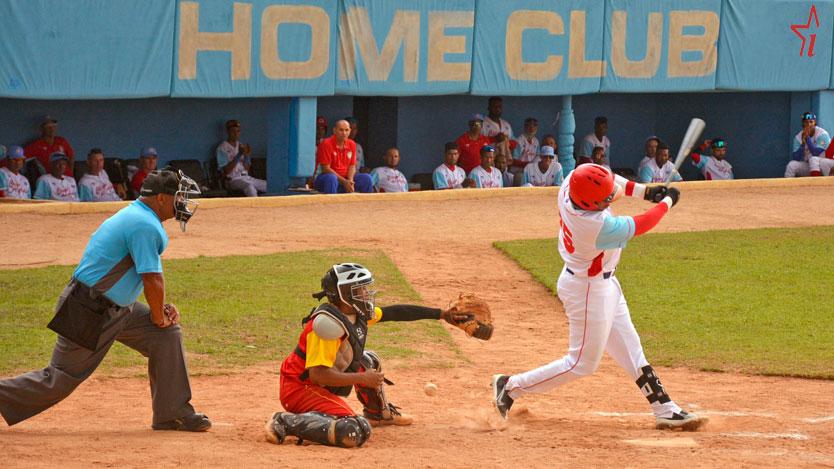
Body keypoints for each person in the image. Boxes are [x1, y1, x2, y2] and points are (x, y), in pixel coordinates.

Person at [492, 164, 706, 431]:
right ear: (590, 204)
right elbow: (643, 224)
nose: (611, 198)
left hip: (604, 284)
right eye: (605, 200)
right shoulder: (595, 227)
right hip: (587, 290)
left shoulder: (572, 182)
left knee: (631, 347)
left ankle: (665, 409)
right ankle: (509, 387)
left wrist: (644, 191)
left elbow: (609, 180)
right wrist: (666, 202)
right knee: (581, 364)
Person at [0, 169, 212, 431]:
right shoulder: (144, 225)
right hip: (90, 309)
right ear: (160, 198)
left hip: (115, 307)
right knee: (59, 379)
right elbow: (152, 279)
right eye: (178, 197)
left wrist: (161, 312)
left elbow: (141, 280)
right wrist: (158, 315)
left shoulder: (138, 216)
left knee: (165, 335)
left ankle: (172, 412)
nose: (182, 203)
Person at [264, 263, 488, 448]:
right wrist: (362, 379)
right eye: (359, 289)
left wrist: (442, 315)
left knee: (369, 360)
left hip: (316, 383)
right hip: (300, 388)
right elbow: (318, 375)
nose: (366, 293)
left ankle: (378, 413)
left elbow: (396, 312)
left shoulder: (354, 312)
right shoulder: (326, 327)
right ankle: (284, 421)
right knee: (354, 430)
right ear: (342, 294)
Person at [314, 120, 374, 194]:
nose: (344, 133)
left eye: (346, 130)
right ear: (334, 130)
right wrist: (344, 182)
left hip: (345, 179)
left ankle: (365, 205)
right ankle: (330, 205)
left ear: (350, 131)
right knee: (331, 178)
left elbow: (352, 166)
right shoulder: (326, 143)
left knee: (367, 178)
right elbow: (325, 169)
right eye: (341, 130)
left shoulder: (352, 144)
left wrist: (350, 181)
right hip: (325, 178)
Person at [216, 120, 267, 197]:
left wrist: (247, 155)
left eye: (238, 131)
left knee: (268, 185)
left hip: (245, 177)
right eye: (233, 131)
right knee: (249, 187)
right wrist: (239, 154)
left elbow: (246, 169)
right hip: (232, 180)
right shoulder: (222, 148)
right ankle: (256, 208)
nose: (236, 134)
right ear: (228, 132)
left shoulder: (240, 145)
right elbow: (226, 171)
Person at [786, 112, 830, 177]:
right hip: (810, 166)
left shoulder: (822, 134)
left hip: (824, 165)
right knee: (791, 165)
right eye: (806, 122)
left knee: (813, 159)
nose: (808, 124)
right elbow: (796, 158)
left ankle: (817, 184)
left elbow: (816, 153)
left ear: (815, 123)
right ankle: (787, 186)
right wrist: (803, 144)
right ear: (803, 123)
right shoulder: (798, 137)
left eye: (811, 122)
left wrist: (807, 139)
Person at [481, 97, 515, 165]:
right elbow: (479, 143)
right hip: (489, 160)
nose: (497, 109)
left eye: (499, 107)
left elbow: (514, 143)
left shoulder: (506, 125)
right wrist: (494, 139)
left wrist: (506, 140)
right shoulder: (483, 124)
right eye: (494, 106)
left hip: (504, 162)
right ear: (489, 108)